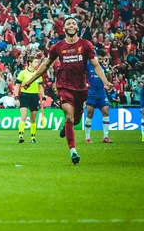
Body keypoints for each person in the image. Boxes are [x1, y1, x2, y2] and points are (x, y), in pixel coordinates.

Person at [22, 17, 113, 165]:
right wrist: (30, 81)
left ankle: (66, 127)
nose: (71, 25)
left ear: (77, 28)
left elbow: (96, 65)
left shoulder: (86, 45)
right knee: (69, 117)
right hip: (64, 86)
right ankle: (73, 152)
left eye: (74, 23)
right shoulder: (58, 47)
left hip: (81, 88)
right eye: (68, 23)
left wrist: (106, 82)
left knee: (76, 120)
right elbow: (45, 66)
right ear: (64, 29)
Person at [84, 50, 113, 143]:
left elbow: (108, 78)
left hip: (101, 93)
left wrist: (108, 70)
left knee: (105, 110)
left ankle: (105, 136)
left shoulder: (103, 67)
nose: (101, 60)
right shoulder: (88, 65)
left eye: (102, 58)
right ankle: (87, 137)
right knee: (90, 113)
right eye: (100, 58)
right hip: (91, 93)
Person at [14, 56, 44, 144]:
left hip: (34, 96)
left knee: (33, 118)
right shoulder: (23, 73)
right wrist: (16, 97)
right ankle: (21, 135)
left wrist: (44, 96)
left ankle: (33, 137)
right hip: (24, 96)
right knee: (23, 116)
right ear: (30, 63)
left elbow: (40, 87)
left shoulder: (38, 74)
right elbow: (17, 86)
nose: (37, 64)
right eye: (35, 62)